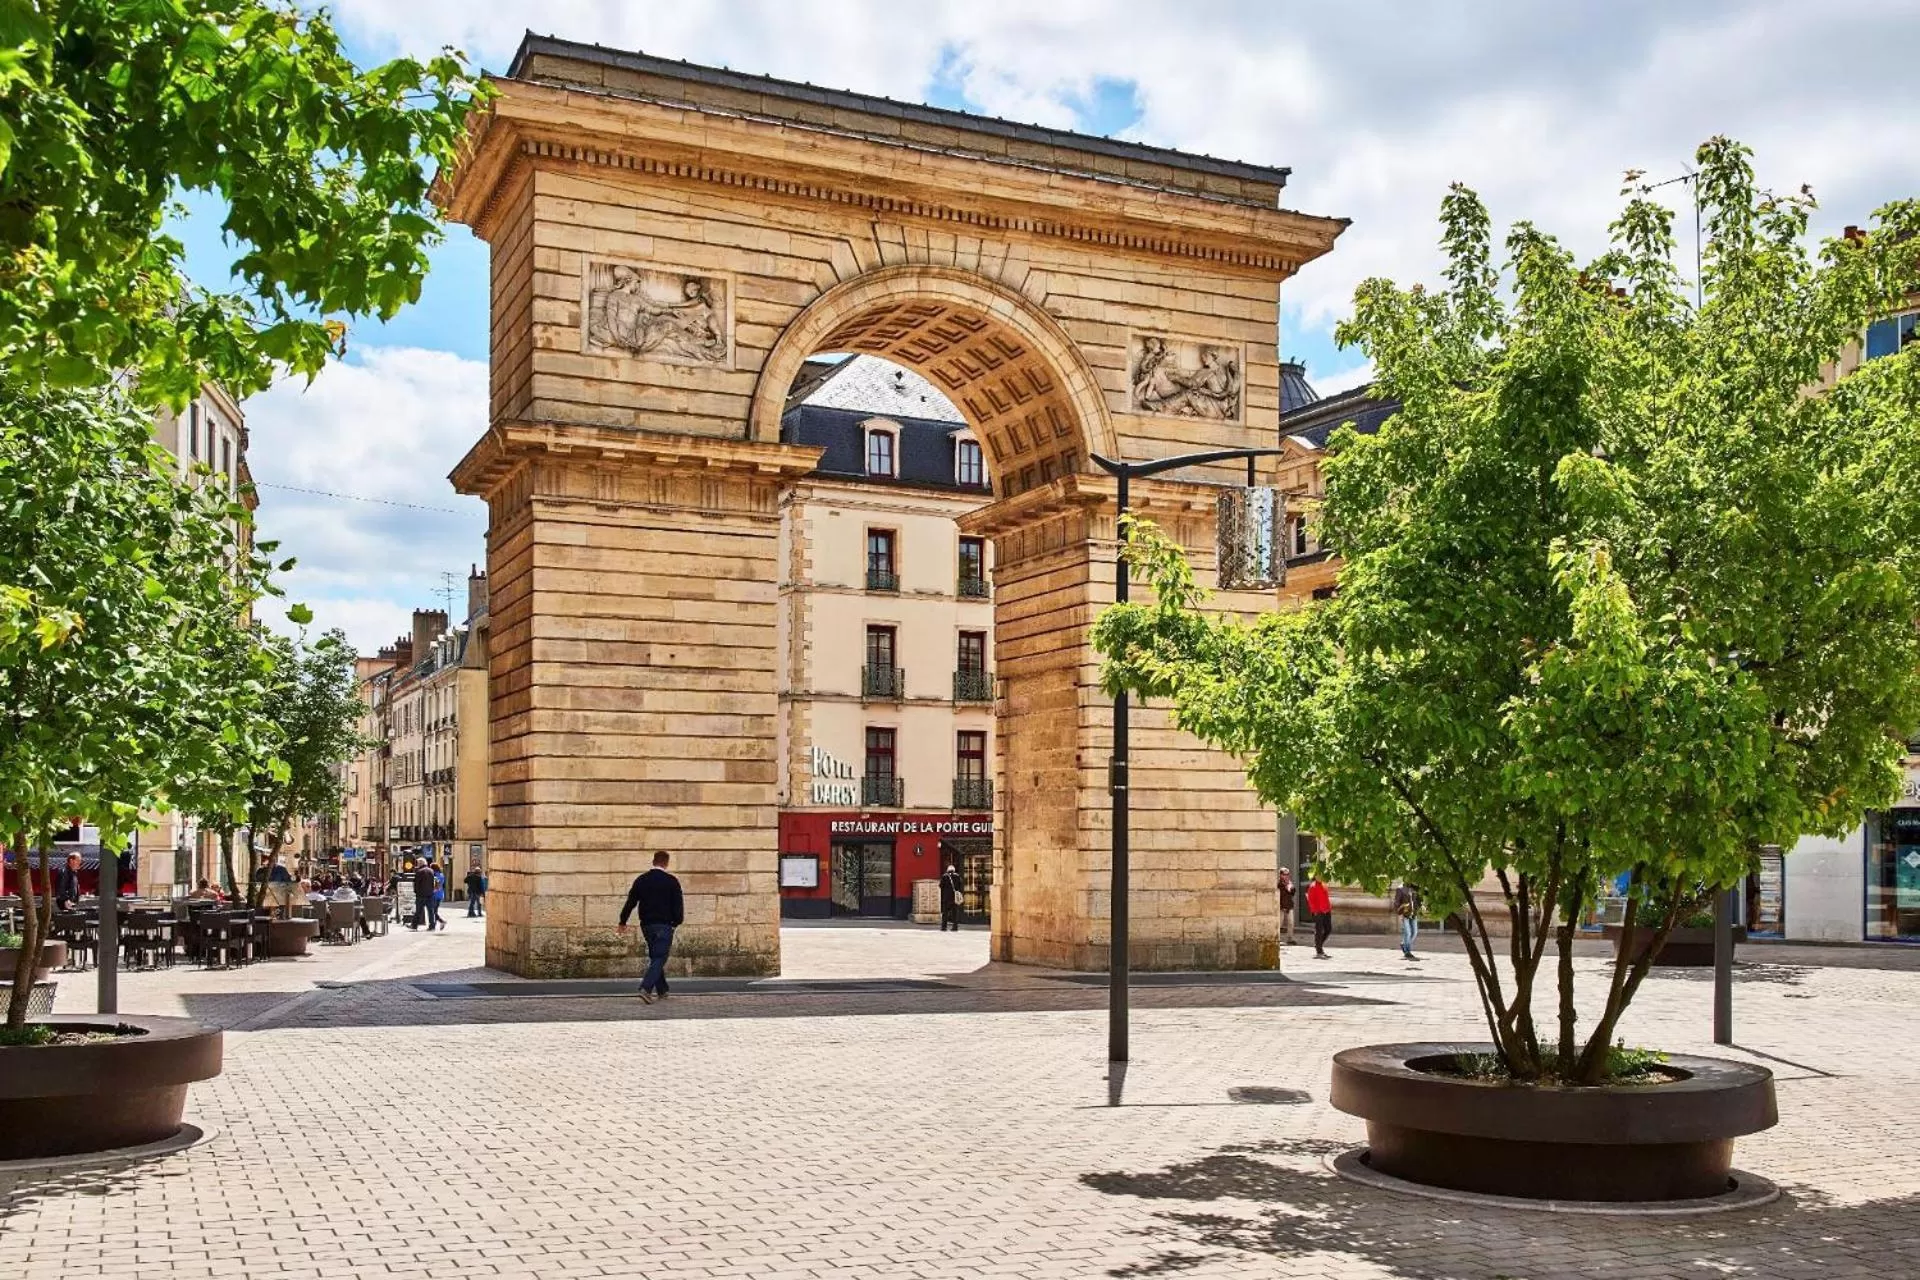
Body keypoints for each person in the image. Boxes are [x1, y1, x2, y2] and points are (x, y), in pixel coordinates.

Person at [616, 851, 684, 1004]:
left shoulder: (641, 880)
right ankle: (646, 988)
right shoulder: (672, 881)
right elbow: (678, 905)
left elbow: (631, 902)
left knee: (656, 956)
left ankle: (662, 990)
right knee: (660, 957)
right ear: (666, 863)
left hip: (647, 925)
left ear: (653, 862)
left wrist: (622, 921)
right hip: (665, 925)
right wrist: (676, 922)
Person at [1305, 869, 1334, 960]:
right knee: (1319, 930)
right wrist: (1314, 911)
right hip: (1318, 911)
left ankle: (1318, 944)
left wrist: (1329, 908)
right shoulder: (1312, 886)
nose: (1320, 877)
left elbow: (1326, 898)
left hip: (1326, 911)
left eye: (1321, 875)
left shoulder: (1324, 885)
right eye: (1318, 875)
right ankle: (1319, 950)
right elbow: (1310, 900)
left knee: (1328, 929)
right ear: (1315, 876)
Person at [1392, 880, 1421, 961]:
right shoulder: (1400, 889)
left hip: (1413, 913)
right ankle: (1407, 952)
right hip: (1405, 914)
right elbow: (1396, 902)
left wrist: (1419, 907)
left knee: (1414, 932)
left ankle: (1404, 944)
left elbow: (1418, 900)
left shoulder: (1414, 887)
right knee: (1408, 933)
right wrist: (1401, 909)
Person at [409, 858, 437, 931]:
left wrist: (416, 892)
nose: (417, 865)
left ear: (420, 863)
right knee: (430, 911)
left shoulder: (419, 871)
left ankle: (414, 926)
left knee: (418, 911)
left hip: (421, 894)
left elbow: (416, 883)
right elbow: (433, 882)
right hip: (430, 894)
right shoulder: (431, 871)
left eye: (418, 863)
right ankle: (432, 926)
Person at [938, 860, 963, 932]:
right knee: (955, 913)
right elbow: (960, 886)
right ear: (954, 870)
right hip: (955, 898)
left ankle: (944, 927)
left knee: (945, 913)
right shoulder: (957, 876)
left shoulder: (944, 876)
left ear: (948, 870)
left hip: (946, 898)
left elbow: (940, 886)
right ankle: (955, 927)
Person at [1276, 868, 1296, 944]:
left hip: (1289, 906)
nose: (1286, 876)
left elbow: (1293, 892)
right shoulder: (1278, 884)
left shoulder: (1289, 883)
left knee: (1291, 922)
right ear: (1281, 875)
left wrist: (1290, 886)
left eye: (1287, 874)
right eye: (1284, 874)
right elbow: (1278, 896)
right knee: (1279, 923)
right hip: (1281, 906)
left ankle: (1290, 938)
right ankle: (1277, 938)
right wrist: (1281, 905)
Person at [430, 864, 447, 930]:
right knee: (435, 910)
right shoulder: (441, 874)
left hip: (434, 894)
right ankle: (435, 924)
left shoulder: (434, 875)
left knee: (433, 911)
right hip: (440, 894)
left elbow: (436, 885)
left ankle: (441, 921)